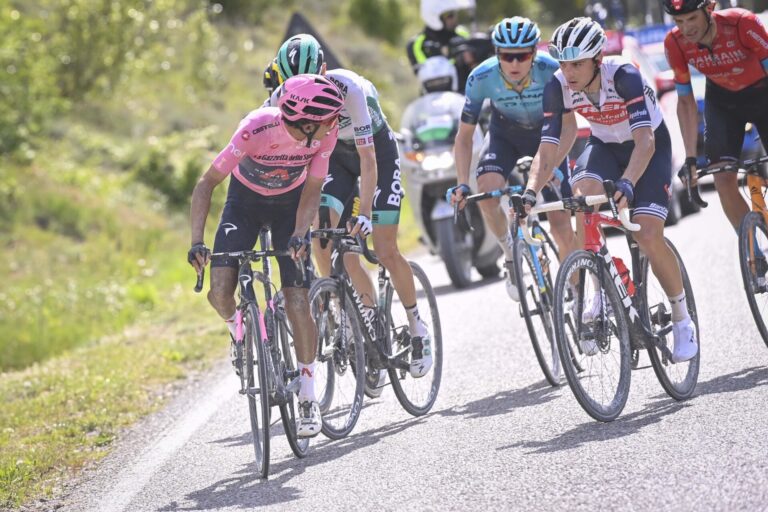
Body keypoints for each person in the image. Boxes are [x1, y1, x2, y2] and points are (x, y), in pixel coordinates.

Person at [522, 17, 698, 363]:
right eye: (563, 63)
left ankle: (682, 319)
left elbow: (645, 141)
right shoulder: (557, 87)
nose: (568, 72)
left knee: (647, 235)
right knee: (580, 193)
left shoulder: (623, 76)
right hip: (605, 146)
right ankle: (598, 285)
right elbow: (549, 145)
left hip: (647, 147)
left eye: (577, 64)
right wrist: (530, 192)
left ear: (596, 59)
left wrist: (629, 183)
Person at [187, 74, 344, 437]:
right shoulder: (256, 128)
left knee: (298, 301)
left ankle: (307, 395)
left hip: (289, 207)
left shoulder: (325, 134)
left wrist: (301, 233)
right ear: (307, 122)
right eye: (330, 118)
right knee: (220, 292)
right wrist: (197, 241)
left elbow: (314, 187)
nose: (336, 124)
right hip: (244, 205)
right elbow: (207, 183)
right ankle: (238, 333)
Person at [269, 34, 434, 378]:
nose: (299, 91)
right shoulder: (278, 100)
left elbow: (369, 159)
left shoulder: (352, 91)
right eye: (291, 85)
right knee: (325, 241)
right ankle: (348, 315)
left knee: (386, 249)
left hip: (375, 153)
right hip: (334, 161)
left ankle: (418, 328)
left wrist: (365, 216)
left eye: (309, 81)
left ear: (325, 71)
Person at [448, 16, 578, 301]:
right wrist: (461, 183)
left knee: (560, 223)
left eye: (522, 56)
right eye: (507, 56)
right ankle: (509, 253)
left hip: (548, 137)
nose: (515, 64)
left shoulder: (552, 70)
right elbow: (464, 137)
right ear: (497, 54)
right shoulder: (481, 77)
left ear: (534, 52)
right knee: (487, 189)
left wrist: (553, 166)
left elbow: (569, 127)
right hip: (504, 136)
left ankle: (576, 289)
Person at [663, 0, 768, 232]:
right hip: (723, 101)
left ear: (709, 10)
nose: (686, 28)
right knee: (722, 179)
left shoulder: (742, 24)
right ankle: (754, 253)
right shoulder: (675, 43)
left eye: (692, 18)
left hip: (763, 94)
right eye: (679, 21)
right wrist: (690, 158)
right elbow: (685, 100)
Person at [407, 0, 474, 90]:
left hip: (464, 95)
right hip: (435, 98)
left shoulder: (462, 34)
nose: (454, 18)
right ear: (434, 16)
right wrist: (444, 56)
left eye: (454, 13)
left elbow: (474, 66)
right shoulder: (417, 44)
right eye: (450, 15)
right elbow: (422, 75)